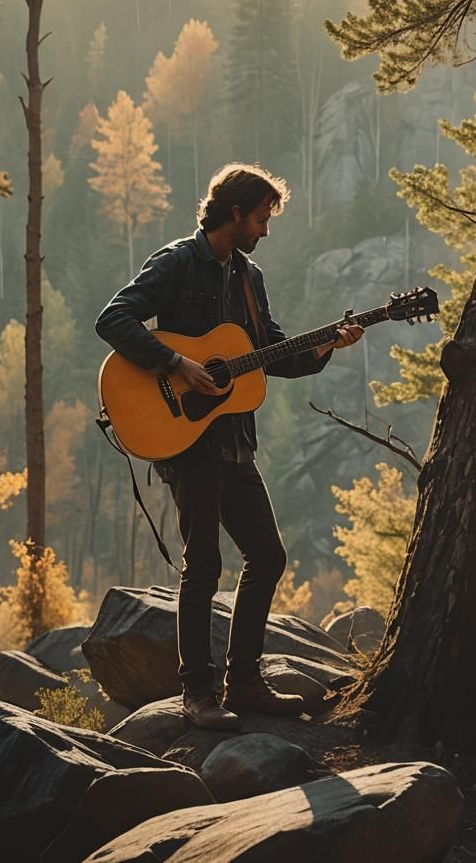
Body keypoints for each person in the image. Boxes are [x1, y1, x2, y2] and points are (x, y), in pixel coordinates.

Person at [95, 163, 364, 730]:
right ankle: (198, 694)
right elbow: (113, 318)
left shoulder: (250, 277)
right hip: (186, 439)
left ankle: (243, 681)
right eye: (262, 218)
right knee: (204, 564)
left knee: (267, 556)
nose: (266, 229)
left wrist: (324, 348)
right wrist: (176, 364)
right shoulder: (176, 262)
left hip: (234, 440)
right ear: (235, 213)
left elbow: (267, 352)